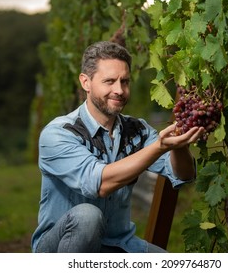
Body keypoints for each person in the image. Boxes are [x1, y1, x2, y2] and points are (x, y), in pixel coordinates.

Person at [31, 41, 204, 253]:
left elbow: (184, 174)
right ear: (86, 82)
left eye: (125, 82)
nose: (119, 90)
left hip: (118, 245)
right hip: (59, 248)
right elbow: (99, 184)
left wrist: (179, 145)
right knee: (87, 216)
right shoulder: (59, 133)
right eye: (110, 81)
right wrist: (159, 147)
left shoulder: (137, 130)